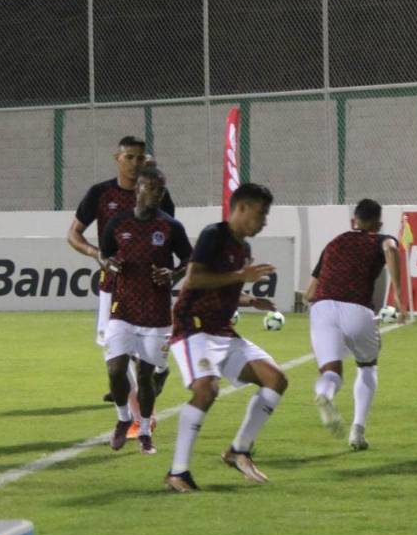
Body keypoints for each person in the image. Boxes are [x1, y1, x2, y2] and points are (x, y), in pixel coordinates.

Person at [164, 183, 287, 492]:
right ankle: (178, 472)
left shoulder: (242, 248)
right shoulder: (213, 235)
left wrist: (248, 299)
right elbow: (194, 278)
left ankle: (238, 450)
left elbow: (224, 287)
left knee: (276, 380)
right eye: (261, 214)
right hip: (193, 327)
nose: (263, 222)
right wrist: (239, 277)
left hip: (221, 330)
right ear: (242, 208)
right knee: (206, 390)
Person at [67, 137, 176, 412]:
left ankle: (150, 384)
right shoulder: (101, 194)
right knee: (114, 350)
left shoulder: (159, 194)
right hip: (112, 284)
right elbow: (73, 233)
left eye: (140, 158)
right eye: (129, 157)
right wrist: (97, 254)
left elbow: (169, 235)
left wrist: (170, 274)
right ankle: (130, 397)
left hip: (150, 287)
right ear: (118, 158)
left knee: (145, 355)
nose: (134, 163)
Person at [99, 168, 191, 454]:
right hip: (123, 309)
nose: (156, 194)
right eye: (151, 188)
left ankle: (145, 428)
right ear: (137, 189)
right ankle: (123, 419)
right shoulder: (117, 222)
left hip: (156, 314)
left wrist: (173, 274)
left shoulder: (170, 226)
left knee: (146, 377)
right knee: (115, 370)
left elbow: (189, 259)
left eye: (160, 190)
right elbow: (105, 255)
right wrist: (109, 264)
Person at [305, 199, 406, 451]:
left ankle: (326, 395)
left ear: (354, 221)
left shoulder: (333, 243)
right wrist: (399, 296)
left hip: (322, 308)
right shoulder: (380, 238)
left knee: (330, 371)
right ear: (378, 223)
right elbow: (392, 250)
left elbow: (309, 292)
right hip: (356, 309)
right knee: (367, 366)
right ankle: (357, 431)